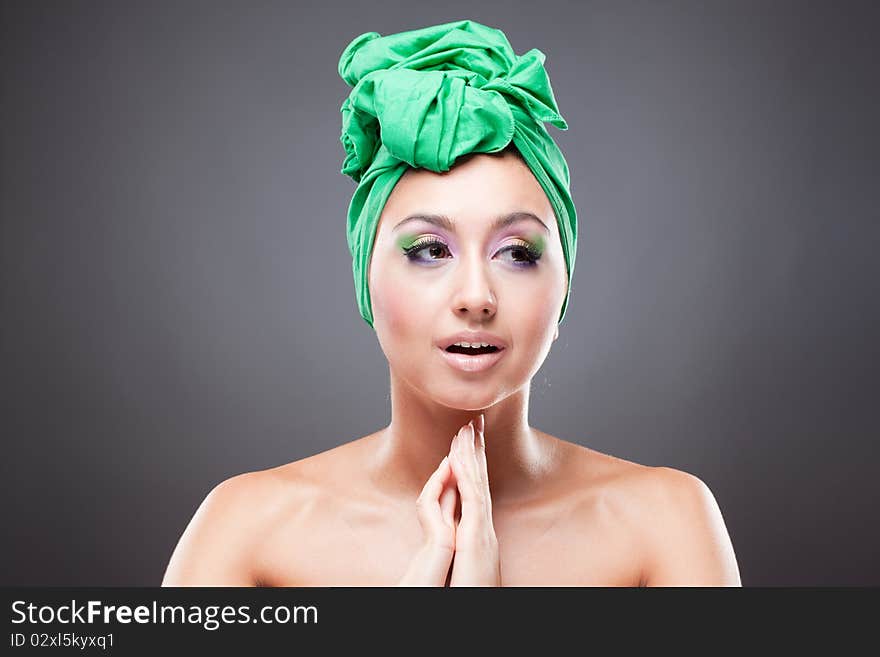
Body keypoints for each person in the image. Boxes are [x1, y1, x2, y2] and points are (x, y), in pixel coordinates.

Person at [162, 19, 741, 587]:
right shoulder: (248, 534)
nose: (475, 297)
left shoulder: (665, 526)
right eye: (428, 249)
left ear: (564, 288)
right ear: (367, 280)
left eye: (517, 252)